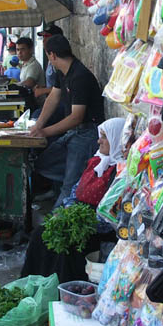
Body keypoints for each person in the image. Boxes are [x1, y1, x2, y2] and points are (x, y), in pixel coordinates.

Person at [21, 117, 126, 283]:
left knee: (67, 248)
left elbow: (112, 218)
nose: (99, 141)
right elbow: (74, 192)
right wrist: (65, 212)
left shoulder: (120, 173)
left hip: (97, 230)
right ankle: (34, 286)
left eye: (104, 137)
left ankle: (61, 290)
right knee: (40, 234)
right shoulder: (96, 162)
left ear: (117, 138)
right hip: (76, 217)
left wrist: (79, 223)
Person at [29, 35, 105, 208]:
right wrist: (38, 125)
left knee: (69, 185)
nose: (49, 60)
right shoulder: (62, 73)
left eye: (48, 57)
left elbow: (76, 117)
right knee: (43, 163)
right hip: (74, 132)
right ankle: (72, 182)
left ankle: (57, 223)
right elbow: (53, 99)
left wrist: (45, 132)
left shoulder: (80, 76)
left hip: (88, 133)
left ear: (53, 55)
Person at [16, 36, 45, 109]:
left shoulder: (33, 65)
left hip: (37, 105)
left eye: (23, 49)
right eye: (18, 50)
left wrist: (14, 85)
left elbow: (29, 82)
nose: (19, 52)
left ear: (30, 50)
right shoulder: (25, 64)